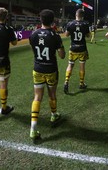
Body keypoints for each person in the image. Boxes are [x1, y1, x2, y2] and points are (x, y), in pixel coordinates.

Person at [29, 9, 65, 140]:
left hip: (37, 68)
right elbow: (61, 56)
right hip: (50, 69)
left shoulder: (33, 34)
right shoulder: (55, 35)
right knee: (52, 94)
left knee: (37, 97)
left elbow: (33, 50)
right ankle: (53, 114)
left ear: (40, 20)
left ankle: (33, 128)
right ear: (53, 20)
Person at [63, 8, 90, 93]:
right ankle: (81, 83)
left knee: (70, 65)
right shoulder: (85, 24)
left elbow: (66, 35)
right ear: (82, 16)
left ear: (76, 14)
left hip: (73, 48)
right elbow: (88, 36)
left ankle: (66, 81)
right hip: (82, 48)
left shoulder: (70, 23)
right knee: (82, 66)